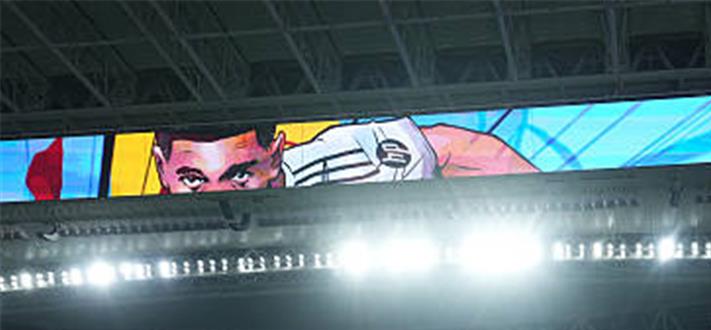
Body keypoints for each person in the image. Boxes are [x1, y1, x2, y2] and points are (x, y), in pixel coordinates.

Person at [151, 119, 537, 194]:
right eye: (193, 179)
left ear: (276, 154)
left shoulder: (361, 158)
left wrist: (547, 203)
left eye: (240, 175)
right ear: (160, 166)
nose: (218, 196)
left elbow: (454, 147)